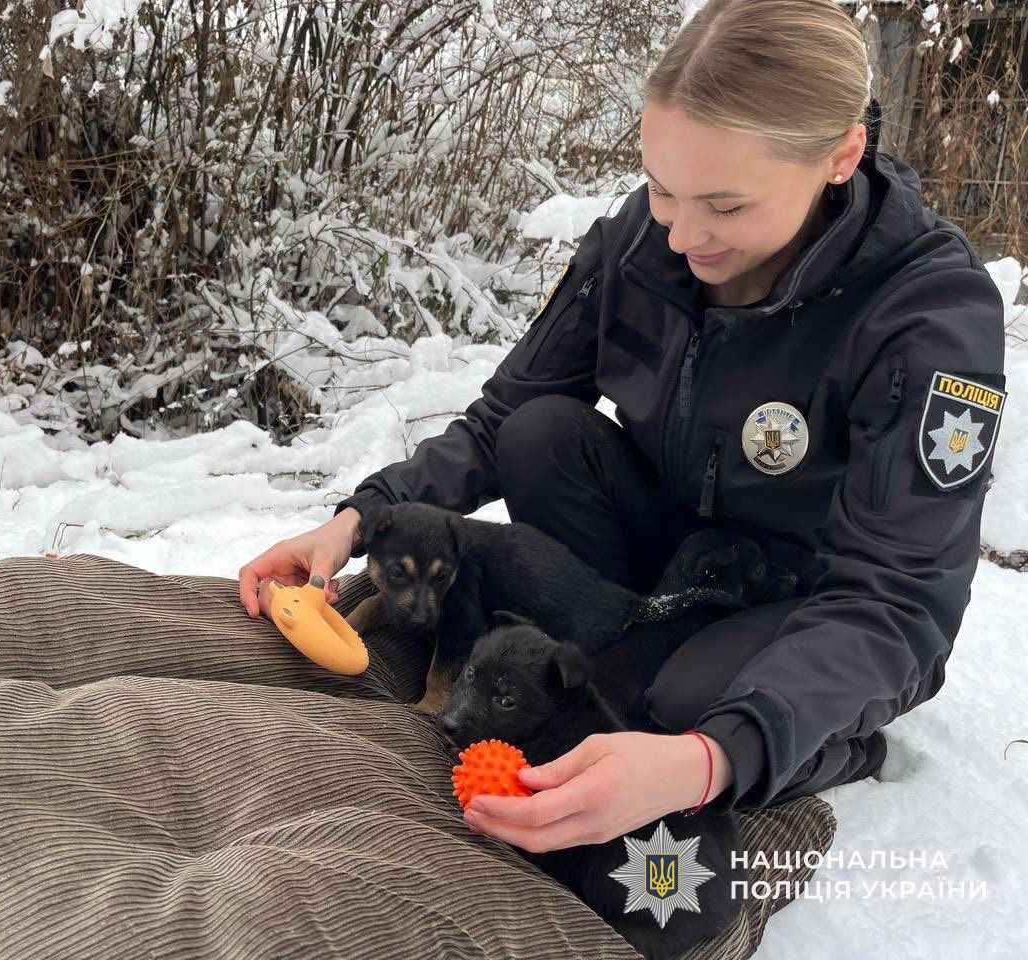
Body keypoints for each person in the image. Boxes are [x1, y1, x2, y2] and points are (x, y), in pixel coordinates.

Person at [237, 0, 1007, 853]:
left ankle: (822, 738)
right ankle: (633, 653)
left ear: (840, 157)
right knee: (541, 435)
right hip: (664, 555)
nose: (682, 236)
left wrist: (707, 761)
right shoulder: (643, 240)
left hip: (807, 603)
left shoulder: (928, 315)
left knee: (675, 712)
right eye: (663, 188)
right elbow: (504, 416)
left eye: (725, 206)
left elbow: (899, 601)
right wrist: (360, 516)